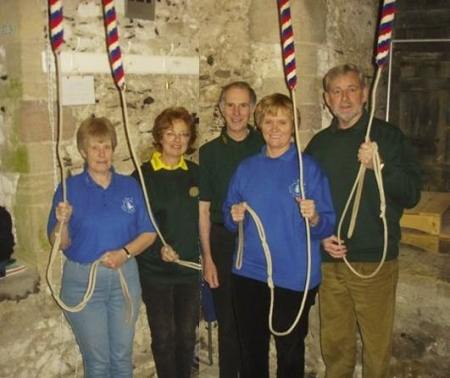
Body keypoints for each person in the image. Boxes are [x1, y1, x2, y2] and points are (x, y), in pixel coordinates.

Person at [305, 63, 422, 378]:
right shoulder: (318, 145)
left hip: (374, 261)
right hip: (330, 261)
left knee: (375, 348)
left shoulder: (387, 136)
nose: (344, 99)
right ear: (326, 98)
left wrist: (380, 165)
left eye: (352, 89)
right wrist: (320, 236)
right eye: (336, 91)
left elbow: (412, 194)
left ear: (365, 93)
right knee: (335, 347)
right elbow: (304, 200)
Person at [223, 93, 336, 378]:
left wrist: (314, 216)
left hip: (294, 276)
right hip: (249, 273)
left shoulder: (308, 168)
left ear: (293, 127)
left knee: (289, 351)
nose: (275, 128)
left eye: (282, 122)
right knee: (251, 350)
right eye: (269, 121)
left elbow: (327, 226)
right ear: (259, 125)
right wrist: (233, 215)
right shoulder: (246, 168)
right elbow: (228, 218)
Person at [47, 116, 156, 378]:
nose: (101, 153)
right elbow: (59, 244)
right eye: (94, 147)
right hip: (84, 281)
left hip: (124, 279)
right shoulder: (68, 189)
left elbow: (149, 233)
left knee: (121, 358)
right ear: (83, 151)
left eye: (106, 146)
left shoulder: (129, 186)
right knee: (98, 363)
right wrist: (63, 222)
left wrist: (124, 253)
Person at [199, 81, 264, 377]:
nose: (237, 112)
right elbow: (203, 209)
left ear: (252, 109)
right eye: (230, 105)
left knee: (255, 320)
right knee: (227, 321)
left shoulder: (265, 146)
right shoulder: (209, 152)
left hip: (259, 242)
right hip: (223, 242)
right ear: (221, 109)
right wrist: (208, 258)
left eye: (243, 105)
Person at [131, 107, 200, 378]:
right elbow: (134, 226)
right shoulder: (141, 177)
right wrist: (156, 249)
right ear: (159, 136)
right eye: (170, 133)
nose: (177, 140)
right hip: (155, 273)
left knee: (186, 337)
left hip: (189, 272)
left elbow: (205, 219)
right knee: (163, 338)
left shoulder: (196, 173)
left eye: (184, 134)